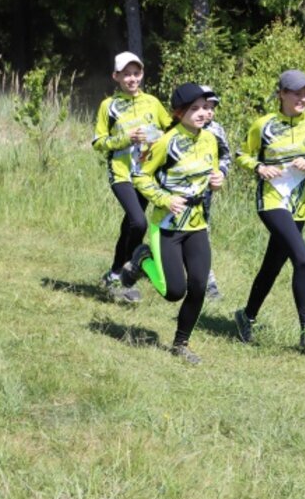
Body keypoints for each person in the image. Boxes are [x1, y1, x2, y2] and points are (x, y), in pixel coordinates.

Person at [234, 69, 305, 352]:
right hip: (270, 202)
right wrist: (259, 167)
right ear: (281, 93)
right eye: (296, 92)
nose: (303, 98)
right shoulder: (264, 125)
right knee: (303, 259)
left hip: (299, 207)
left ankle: (246, 316)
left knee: (272, 265)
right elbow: (241, 155)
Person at [123, 82, 225, 364]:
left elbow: (211, 173)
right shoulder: (165, 142)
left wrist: (218, 181)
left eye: (206, 107)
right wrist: (164, 199)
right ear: (180, 112)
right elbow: (141, 177)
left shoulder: (210, 140)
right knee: (173, 292)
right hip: (167, 225)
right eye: (195, 108)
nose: (203, 113)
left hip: (196, 224)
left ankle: (181, 343)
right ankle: (143, 257)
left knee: (199, 286)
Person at [92, 51, 170, 302]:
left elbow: (169, 129)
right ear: (116, 76)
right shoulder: (108, 106)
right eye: (126, 74)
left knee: (130, 224)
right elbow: (98, 142)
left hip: (145, 174)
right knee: (139, 222)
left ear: (142, 74)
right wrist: (127, 138)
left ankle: (115, 273)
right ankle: (128, 267)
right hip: (122, 173)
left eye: (136, 73)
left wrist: (159, 137)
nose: (132, 79)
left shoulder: (152, 102)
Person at [199, 87, 233, 300]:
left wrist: (220, 172)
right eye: (205, 106)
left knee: (202, 233)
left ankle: (208, 282)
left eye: (212, 107)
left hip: (204, 193)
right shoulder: (176, 128)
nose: (209, 112)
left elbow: (226, 156)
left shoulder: (216, 130)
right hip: (176, 193)